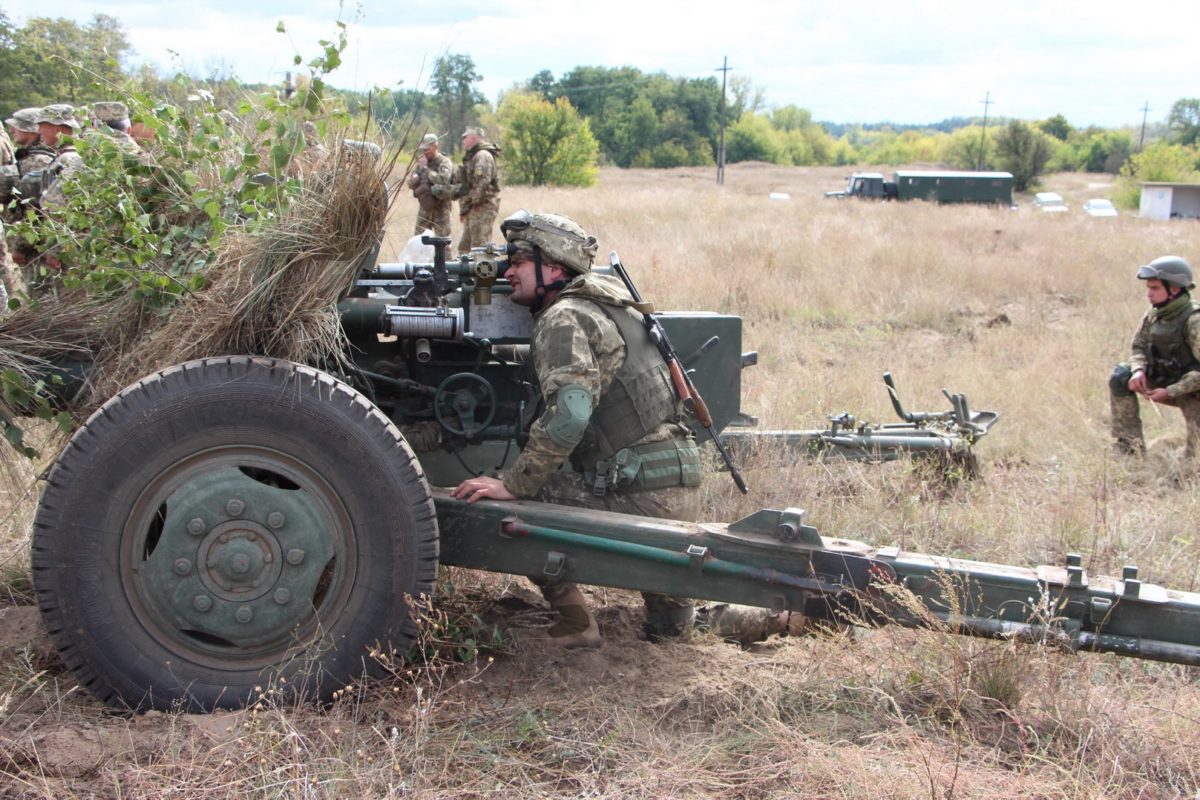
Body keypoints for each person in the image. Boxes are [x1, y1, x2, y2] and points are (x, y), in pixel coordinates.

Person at [451, 210, 703, 647]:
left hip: (638, 494)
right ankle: (691, 622)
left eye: (518, 259)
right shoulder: (612, 301)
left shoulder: (562, 317)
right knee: (670, 631)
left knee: (502, 509)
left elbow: (569, 416)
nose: (508, 270)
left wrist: (514, 483)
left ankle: (575, 625)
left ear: (552, 265)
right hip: (675, 481)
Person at [1110, 256, 1200, 457]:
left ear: (1174, 289)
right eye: (1148, 288)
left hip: (1192, 390)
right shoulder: (1154, 314)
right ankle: (1129, 444)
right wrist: (1138, 371)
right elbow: (1138, 348)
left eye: (1155, 288)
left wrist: (1171, 391)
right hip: (1167, 381)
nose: (1148, 294)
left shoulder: (1194, 320)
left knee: (1192, 463)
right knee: (1121, 374)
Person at [453, 126, 501, 253]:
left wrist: (469, 203)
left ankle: (480, 273)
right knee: (465, 247)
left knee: (480, 248)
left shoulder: (482, 156)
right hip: (474, 208)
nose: (463, 140)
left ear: (473, 138)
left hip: (482, 207)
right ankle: (465, 272)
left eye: (465, 137)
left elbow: (482, 184)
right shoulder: (474, 156)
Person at [407, 133, 453, 237]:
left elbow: (443, 180)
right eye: (423, 149)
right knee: (419, 241)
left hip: (441, 209)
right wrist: (416, 178)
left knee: (443, 243)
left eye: (427, 149)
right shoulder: (422, 163)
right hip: (425, 208)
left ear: (435, 146)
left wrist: (426, 170)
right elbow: (410, 183)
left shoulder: (444, 162)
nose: (424, 152)